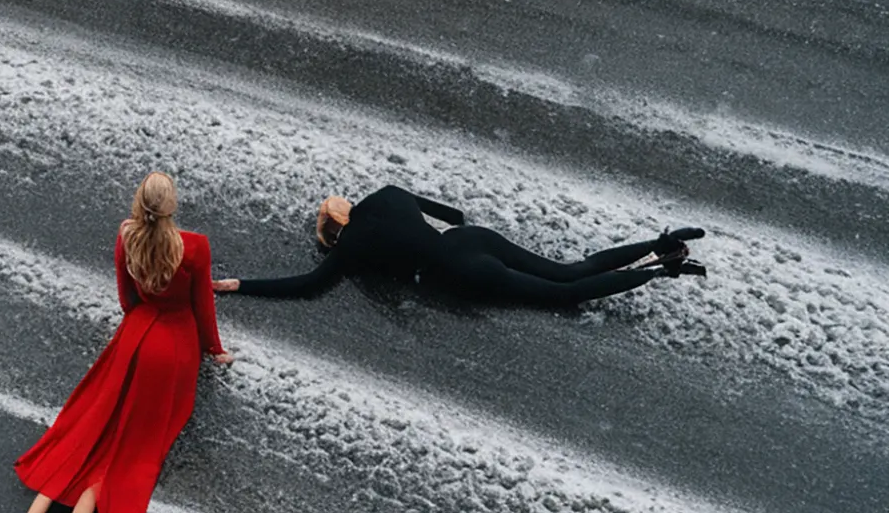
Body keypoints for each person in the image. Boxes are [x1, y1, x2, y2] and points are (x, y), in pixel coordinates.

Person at [0, 173, 234, 513]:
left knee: (79, 444)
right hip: (171, 348)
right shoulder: (194, 246)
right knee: (117, 458)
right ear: (173, 207)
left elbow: (127, 299)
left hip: (134, 338)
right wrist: (214, 348)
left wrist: (138, 325)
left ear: (140, 204)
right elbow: (201, 308)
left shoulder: (127, 235)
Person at [212, 184, 705, 308]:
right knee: (569, 269)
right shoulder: (390, 195)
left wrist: (239, 284)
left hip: (458, 272)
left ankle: (661, 271)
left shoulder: (352, 246)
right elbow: (454, 216)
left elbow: (306, 287)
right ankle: (661, 243)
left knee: (563, 296)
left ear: (333, 231)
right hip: (468, 239)